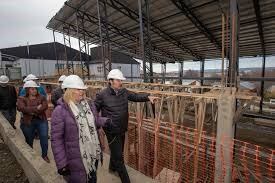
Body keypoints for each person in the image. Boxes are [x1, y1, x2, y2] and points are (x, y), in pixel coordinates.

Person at [94, 69, 158, 183]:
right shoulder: (102, 95)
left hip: (122, 128)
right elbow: (94, 113)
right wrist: (101, 124)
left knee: (117, 151)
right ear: (111, 81)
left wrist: (147, 97)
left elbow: (135, 96)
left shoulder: (123, 91)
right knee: (119, 157)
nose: (121, 82)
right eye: (118, 80)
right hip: (111, 130)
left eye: (121, 80)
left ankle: (112, 168)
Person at [51, 75, 109, 183]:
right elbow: (56, 139)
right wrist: (62, 164)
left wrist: (106, 121)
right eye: (78, 89)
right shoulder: (60, 111)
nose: (81, 92)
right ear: (68, 91)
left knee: (92, 178)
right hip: (76, 159)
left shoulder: (89, 105)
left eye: (82, 89)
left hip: (92, 154)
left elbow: (94, 120)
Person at [17, 80, 50, 163]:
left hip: (41, 120)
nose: (34, 90)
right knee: (29, 139)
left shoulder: (42, 97)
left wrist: (30, 110)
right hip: (28, 122)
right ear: (27, 90)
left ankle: (44, 155)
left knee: (44, 137)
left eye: (35, 89)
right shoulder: (22, 98)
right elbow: (21, 108)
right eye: (32, 89)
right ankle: (30, 154)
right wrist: (37, 108)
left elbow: (44, 106)